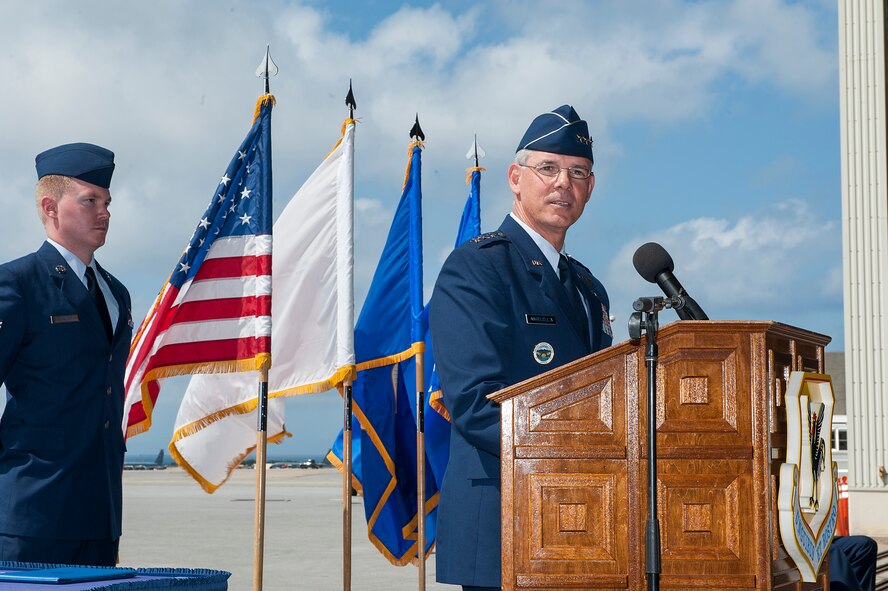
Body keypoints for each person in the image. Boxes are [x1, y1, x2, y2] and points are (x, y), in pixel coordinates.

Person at [430, 105, 613, 590]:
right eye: (548, 168)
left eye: (578, 174)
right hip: (505, 526)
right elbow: (474, 405)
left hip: (584, 525)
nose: (563, 184)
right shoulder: (477, 269)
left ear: (590, 189)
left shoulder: (588, 289)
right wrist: (591, 454)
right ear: (515, 178)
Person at [0, 143, 133, 566]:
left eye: (107, 202)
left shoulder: (116, 294)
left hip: (101, 513)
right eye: (90, 200)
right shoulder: (17, 284)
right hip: (32, 512)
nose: (104, 212)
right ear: (50, 206)